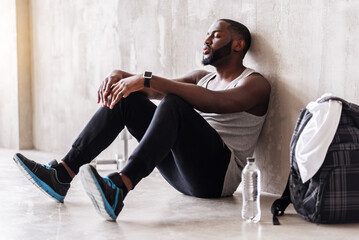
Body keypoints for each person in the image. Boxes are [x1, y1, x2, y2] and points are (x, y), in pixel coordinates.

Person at [13, 19, 271, 221]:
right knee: (128, 99)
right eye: (207, 34)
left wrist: (144, 78)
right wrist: (121, 75)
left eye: (216, 35)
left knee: (174, 103)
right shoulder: (200, 77)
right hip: (183, 174)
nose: (206, 39)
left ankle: (120, 186)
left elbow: (214, 102)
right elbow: (152, 89)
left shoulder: (255, 84)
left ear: (238, 45)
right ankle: (62, 173)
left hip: (216, 179)